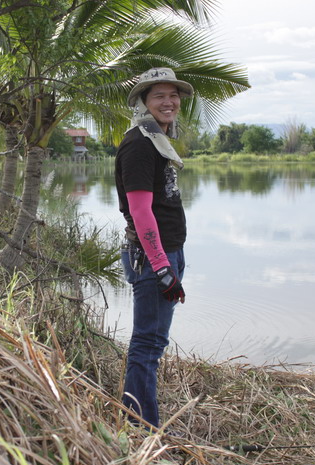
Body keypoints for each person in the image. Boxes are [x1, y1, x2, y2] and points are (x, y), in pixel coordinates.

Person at [114, 67, 191, 429]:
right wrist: (162, 268)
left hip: (165, 252)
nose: (169, 101)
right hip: (151, 257)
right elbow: (140, 211)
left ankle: (140, 424)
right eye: (159, 95)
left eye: (173, 94)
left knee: (152, 343)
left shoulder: (156, 139)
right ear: (144, 102)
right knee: (147, 345)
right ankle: (142, 428)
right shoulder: (139, 145)